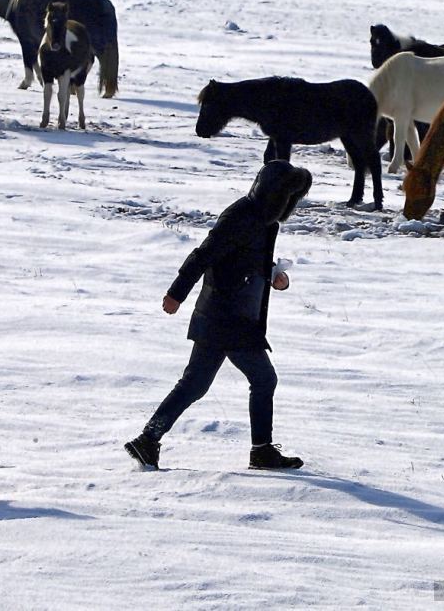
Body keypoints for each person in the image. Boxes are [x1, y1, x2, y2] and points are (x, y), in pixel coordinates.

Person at [125, 160, 313, 470]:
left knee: (195, 383)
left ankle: (148, 440)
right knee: (264, 379)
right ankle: (261, 451)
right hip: (227, 315)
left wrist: (275, 276)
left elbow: (247, 261)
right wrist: (177, 293)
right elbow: (203, 255)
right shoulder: (240, 216)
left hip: (230, 315)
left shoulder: (266, 221)